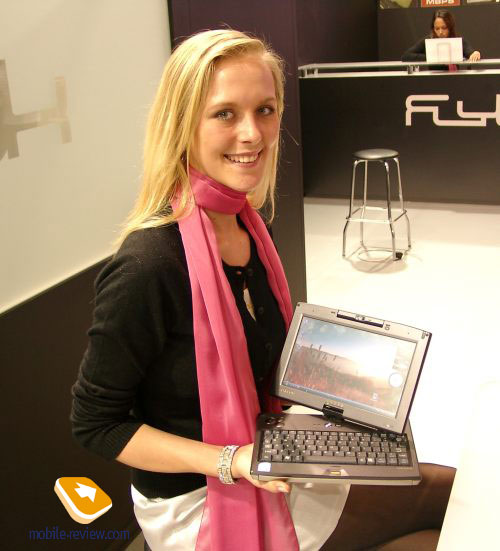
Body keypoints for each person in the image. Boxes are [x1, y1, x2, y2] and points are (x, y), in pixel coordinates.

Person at [71, 29, 455, 551]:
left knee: (456, 499)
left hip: (271, 455)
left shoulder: (250, 226)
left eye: (266, 110)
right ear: (182, 124)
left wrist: (349, 386)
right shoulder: (148, 266)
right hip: (201, 497)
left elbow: (258, 365)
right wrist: (231, 460)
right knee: (438, 528)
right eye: (225, 114)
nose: (252, 134)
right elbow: (96, 424)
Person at [402, 10, 481, 62]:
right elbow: (406, 56)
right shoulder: (429, 40)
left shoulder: (457, 40)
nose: (440, 32)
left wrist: (475, 53)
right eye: (437, 28)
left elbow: (470, 52)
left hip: (455, 78)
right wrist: (432, 57)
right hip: (433, 79)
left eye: (444, 28)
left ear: (450, 27)